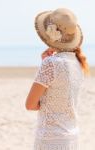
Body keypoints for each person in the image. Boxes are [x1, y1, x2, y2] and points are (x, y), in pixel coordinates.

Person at [25, 8, 90, 150]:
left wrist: (45, 63)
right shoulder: (78, 64)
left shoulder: (51, 63)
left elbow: (30, 105)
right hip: (71, 137)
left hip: (51, 140)